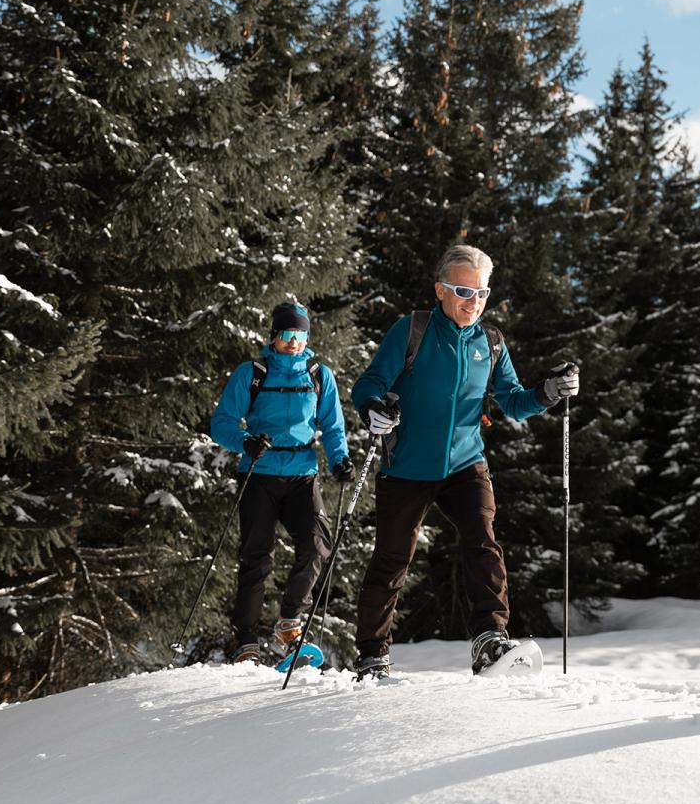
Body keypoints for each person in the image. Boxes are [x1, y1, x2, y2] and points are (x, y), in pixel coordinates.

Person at [347, 244, 580, 680]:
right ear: (440, 290)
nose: (473, 303)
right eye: (462, 291)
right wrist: (373, 406)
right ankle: (371, 656)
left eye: (482, 294)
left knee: (482, 540)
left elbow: (513, 402)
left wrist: (549, 391)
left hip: (465, 463)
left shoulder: (490, 343)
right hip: (407, 465)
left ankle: (490, 640)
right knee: (393, 559)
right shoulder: (412, 330)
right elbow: (370, 382)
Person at [207, 301, 352, 664]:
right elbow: (222, 422)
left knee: (317, 545)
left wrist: (340, 461)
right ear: (273, 337)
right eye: (288, 335)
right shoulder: (252, 373)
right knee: (256, 557)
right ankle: (246, 641)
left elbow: (333, 427)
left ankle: (289, 622)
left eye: (301, 335)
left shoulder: (319, 375)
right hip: (259, 474)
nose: (294, 343)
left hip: (302, 474)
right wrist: (245, 441)